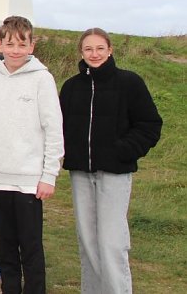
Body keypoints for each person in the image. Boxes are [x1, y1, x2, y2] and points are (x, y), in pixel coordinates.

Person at [60, 28, 162, 294]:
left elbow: (150, 125)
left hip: (115, 174)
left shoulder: (130, 83)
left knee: (111, 242)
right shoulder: (72, 87)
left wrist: (122, 150)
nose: (94, 54)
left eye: (99, 48)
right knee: (89, 242)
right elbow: (59, 127)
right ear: (81, 52)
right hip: (81, 173)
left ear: (110, 50)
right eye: (88, 49)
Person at [0, 16, 64, 294]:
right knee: (5, 248)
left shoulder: (42, 79)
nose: (15, 50)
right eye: (9, 44)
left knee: (31, 248)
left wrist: (49, 175)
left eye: (21, 44)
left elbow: (53, 130)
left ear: (31, 46)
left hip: (28, 182)